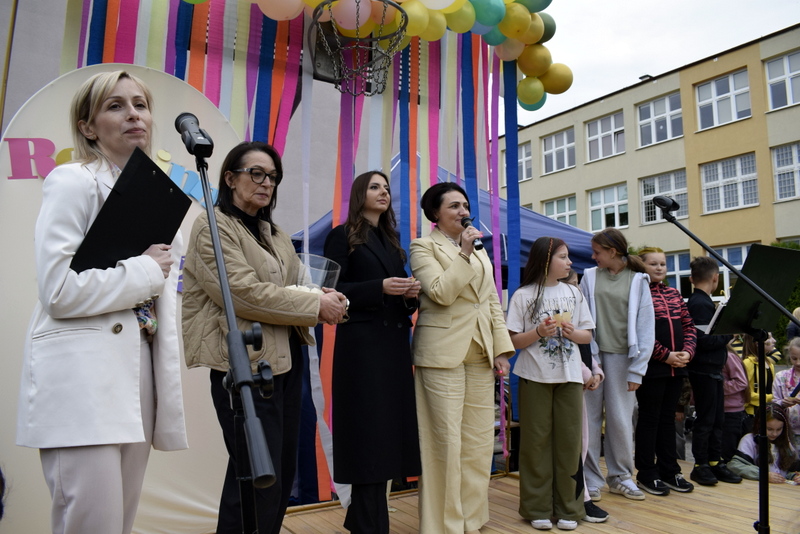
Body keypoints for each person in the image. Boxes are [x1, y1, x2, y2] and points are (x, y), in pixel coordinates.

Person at [15, 70, 188, 534]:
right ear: (88, 127)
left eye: (140, 104)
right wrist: (146, 270)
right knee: (91, 523)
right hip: (83, 379)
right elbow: (58, 291)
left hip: (137, 373)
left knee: (119, 524)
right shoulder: (72, 180)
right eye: (115, 105)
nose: (133, 114)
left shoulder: (155, 193)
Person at [181, 141, 347, 534]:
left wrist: (322, 294)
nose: (267, 183)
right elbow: (242, 293)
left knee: (280, 475)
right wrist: (313, 305)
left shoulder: (275, 233)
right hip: (245, 367)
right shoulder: (212, 225)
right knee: (254, 476)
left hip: (286, 363)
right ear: (229, 178)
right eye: (256, 173)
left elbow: (292, 285)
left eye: (273, 176)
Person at [409, 182, 514, 534]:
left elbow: (491, 301)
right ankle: (443, 525)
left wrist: (501, 349)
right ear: (435, 213)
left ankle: (472, 518)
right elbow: (440, 293)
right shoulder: (423, 247)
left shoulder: (479, 249)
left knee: (478, 443)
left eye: (465, 205)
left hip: (480, 353)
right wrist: (465, 254)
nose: (463, 211)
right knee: (445, 443)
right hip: (441, 355)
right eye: (454, 206)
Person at [323, 171, 422, 533]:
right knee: (368, 435)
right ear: (359, 194)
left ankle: (365, 520)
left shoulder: (392, 240)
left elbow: (398, 297)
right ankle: (369, 524)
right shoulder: (342, 235)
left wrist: (410, 296)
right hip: (362, 348)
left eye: (387, 188)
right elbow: (331, 288)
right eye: (375, 186)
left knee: (386, 436)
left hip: (393, 347)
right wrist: (379, 286)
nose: (384, 192)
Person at [507, 238, 595, 531]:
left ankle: (570, 508)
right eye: (563, 257)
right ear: (546, 260)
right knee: (535, 443)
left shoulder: (574, 292)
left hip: (570, 377)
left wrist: (571, 332)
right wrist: (538, 332)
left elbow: (587, 336)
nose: (569, 263)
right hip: (534, 376)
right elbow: (513, 340)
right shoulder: (523, 295)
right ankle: (537, 508)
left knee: (570, 443)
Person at [579, 228, 655, 502]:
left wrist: (637, 370)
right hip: (593, 358)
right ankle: (590, 479)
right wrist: (588, 361)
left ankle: (621, 477)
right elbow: (581, 319)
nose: (593, 256)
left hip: (624, 360)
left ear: (612, 252)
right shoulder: (588, 277)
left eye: (597, 252)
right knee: (588, 420)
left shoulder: (638, 280)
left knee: (621, 421)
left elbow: (646, 327)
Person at [633, 247, 696, 496]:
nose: (659, 268)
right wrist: (665, 355)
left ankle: (669, 471)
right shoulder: (638, 293)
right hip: (652, 368)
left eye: (662, 264)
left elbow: (689, 326)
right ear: (642, 266)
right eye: (653, 264)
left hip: (677, 368)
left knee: (668, 420)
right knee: (649, 420)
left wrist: (687, 352)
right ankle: (646, 473)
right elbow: (639, 333)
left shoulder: (673, 293)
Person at [685, 255, 742, 486]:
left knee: (718, 419)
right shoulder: (699, 304)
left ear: (691, 278)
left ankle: (715, 461)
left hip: (712, 369)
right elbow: (703, 341)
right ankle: (701, 465)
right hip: (703, 370)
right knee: (706, 420)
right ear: (716, 278)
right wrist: (730, 333)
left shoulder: (703, 302)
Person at [560, 270, 608, 524]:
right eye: (572, 284)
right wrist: (587, 373)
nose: (577, 289)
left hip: (582, 385)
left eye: (578, 284)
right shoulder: (561, 317)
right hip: (568, 386)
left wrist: (596, 371)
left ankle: (582, 494)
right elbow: (566, 350)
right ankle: (580, 498)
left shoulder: (579, 314)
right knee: (574, 444)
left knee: (583, 443)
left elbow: (588, 347)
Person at [728, 403, 800, 483]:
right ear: (759, 425)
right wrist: (763, 474)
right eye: (769, 429)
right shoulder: (750, 440)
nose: (774, 434)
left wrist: (794, 476)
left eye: (779, 429)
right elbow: (735, 466)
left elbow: (786, 471)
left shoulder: (786, 441)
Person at [742, 332, 779, 430]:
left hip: (767, 412)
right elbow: (745, 393)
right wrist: (772, 398)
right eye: (769, 338)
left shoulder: (769, 363)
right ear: (757, 342)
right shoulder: (748, 363)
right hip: (752, 414)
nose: (774, 341)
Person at [721, 343, 749, 462]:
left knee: (728, 452)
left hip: (732, 412)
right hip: (715, 410)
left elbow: (741, 382)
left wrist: (717, 387)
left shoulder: (729, 356)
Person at [773, 337, 800, 450]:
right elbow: (774, 403)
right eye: (794, 358)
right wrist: (783, 403)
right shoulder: (781, 377)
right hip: (787, 431)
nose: (798, 363)